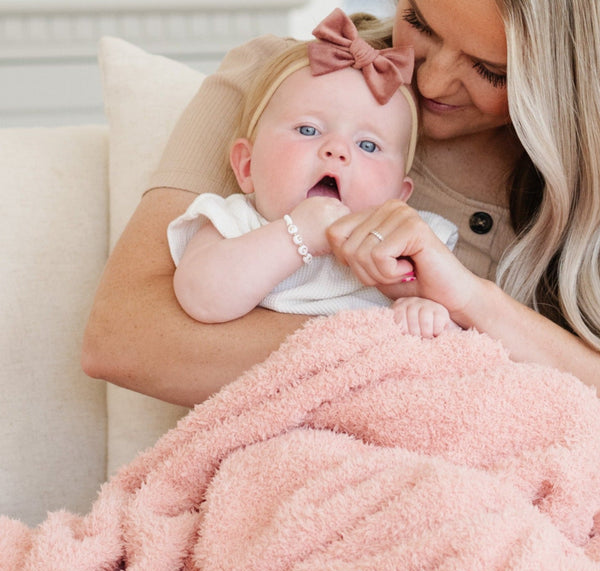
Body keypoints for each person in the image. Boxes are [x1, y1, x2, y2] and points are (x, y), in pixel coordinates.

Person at [82, 0, 600, 407]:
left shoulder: (578, 175)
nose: (430, 82)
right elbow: (123, 337)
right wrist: (402, 353)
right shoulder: (282, 80)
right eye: (419, 21)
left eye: (491, 70)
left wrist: (471, 303)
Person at [167, 10, 458, 334]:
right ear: (247, 166)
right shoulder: (236, 224)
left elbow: (463, 324)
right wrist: (297, 236)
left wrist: (426, 309)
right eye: (308, 130)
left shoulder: (407, 244)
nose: (337, 150)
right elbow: (200, 298)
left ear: (399, 198)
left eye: (368, 146)